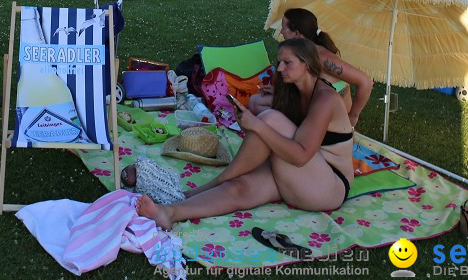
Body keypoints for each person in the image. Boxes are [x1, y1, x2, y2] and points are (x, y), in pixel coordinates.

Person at [136, 35, 353, 229]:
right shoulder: (293, 91)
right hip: (301, 177)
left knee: (269, 120)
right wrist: (248, 123)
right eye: (279, 62)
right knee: (241, 187)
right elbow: (275, 139)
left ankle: (221, 178)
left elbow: (300, 155)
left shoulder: (325, 99)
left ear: (306, 65)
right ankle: (169, 213)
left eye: (287, 63)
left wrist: (257, 125)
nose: (279, 69)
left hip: (327, 187)